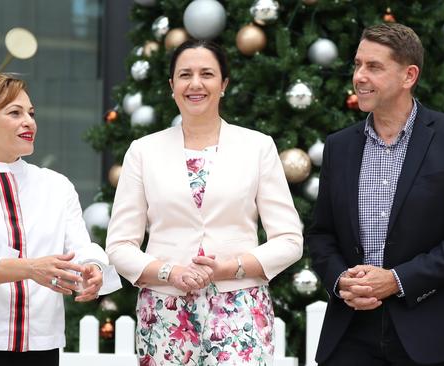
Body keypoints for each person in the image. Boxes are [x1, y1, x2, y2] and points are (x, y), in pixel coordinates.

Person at [105, 39, 303, 365]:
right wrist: (170, 273)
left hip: (240, 307)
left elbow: (289, 240)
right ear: (172, 86)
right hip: (164, 312)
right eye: (185, 75)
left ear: (223, 84)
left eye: (207, 74)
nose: (195, 83)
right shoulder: (143, 151)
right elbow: (119, 245)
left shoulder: (257, 147)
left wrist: (231, 267)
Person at [306, 23, 444, 365]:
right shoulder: (339, 146)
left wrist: (396, 280)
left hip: (432, 333)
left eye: (374, 67)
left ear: (409, 76)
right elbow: (321, 234)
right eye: (357, 64)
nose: (359, 76)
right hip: (350, 332)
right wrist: (341, 280)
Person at [0, 73, 121, 365]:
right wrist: (30, 268)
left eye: (31, 113)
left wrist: (92, 268)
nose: (30, 121)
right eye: (15, 113)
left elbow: (80, 246)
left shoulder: (57, 185)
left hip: (41, 345)